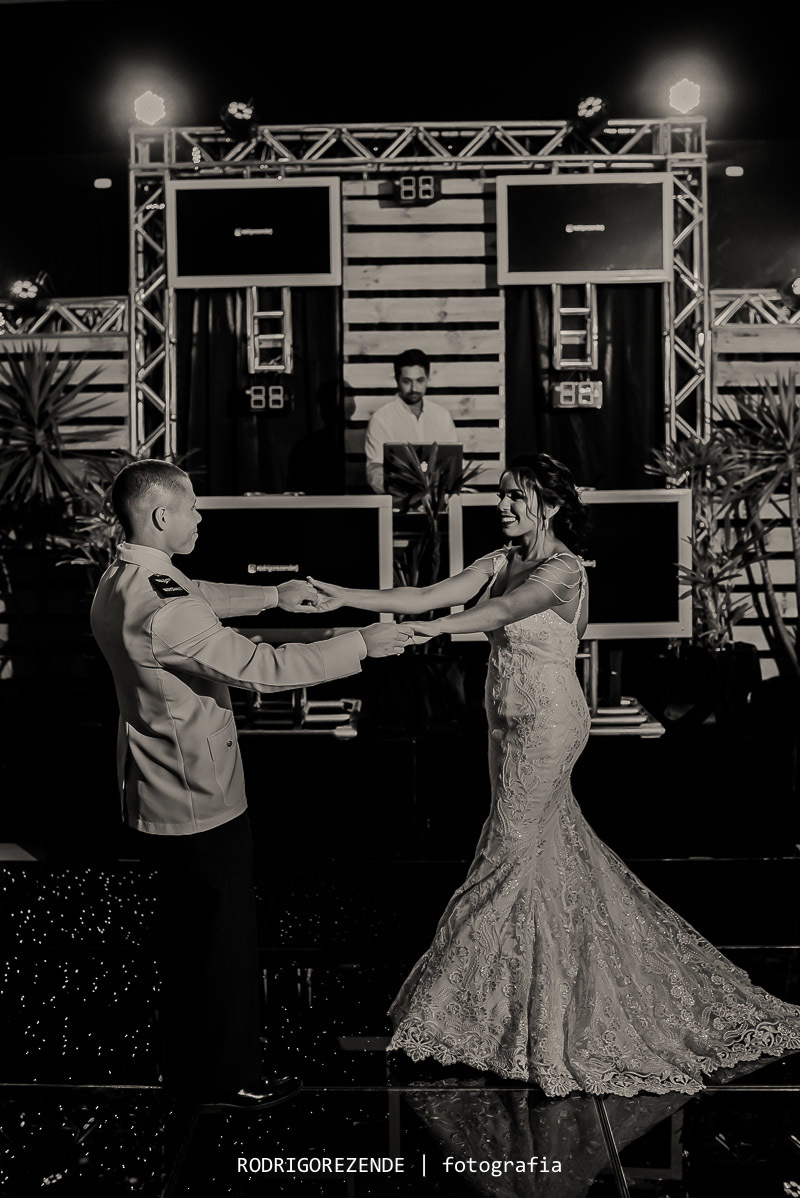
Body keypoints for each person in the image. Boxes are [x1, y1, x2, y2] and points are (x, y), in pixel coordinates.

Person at [309, 452, 800, 1096]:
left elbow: (499, 615)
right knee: (541, 859)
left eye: (516, 497)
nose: (503, 506)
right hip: (503, 720)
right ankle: (528, 1010)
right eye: (502, 495)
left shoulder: (562, 569)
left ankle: (454, 1014)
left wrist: (427, 632)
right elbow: (429, 593)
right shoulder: (498, 560)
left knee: (503, 854)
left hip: (548, 720)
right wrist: (344, 596)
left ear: (551, 504)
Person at [90, 459, 412, 1114]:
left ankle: (186, 1069)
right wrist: (360, 644)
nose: (200, 518)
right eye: (192, 509)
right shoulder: (160, 606)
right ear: (160, 517)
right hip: (198, 797)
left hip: (155, 786)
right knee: (223, 948)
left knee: (189, 942)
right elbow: (260, 668)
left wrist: (273, 597)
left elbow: (195, 593)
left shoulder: (125, 578)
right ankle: (225, 1080)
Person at [364, 347, 461, 493]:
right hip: (398, 505)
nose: (414, 388)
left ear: (427, 378)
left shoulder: (442, 416)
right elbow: (374, 471)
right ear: (397, 380)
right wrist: (399, 494)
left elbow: (452, 463)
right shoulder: (381, 419)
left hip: (439, 504)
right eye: (407, 381)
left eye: (420, 380)